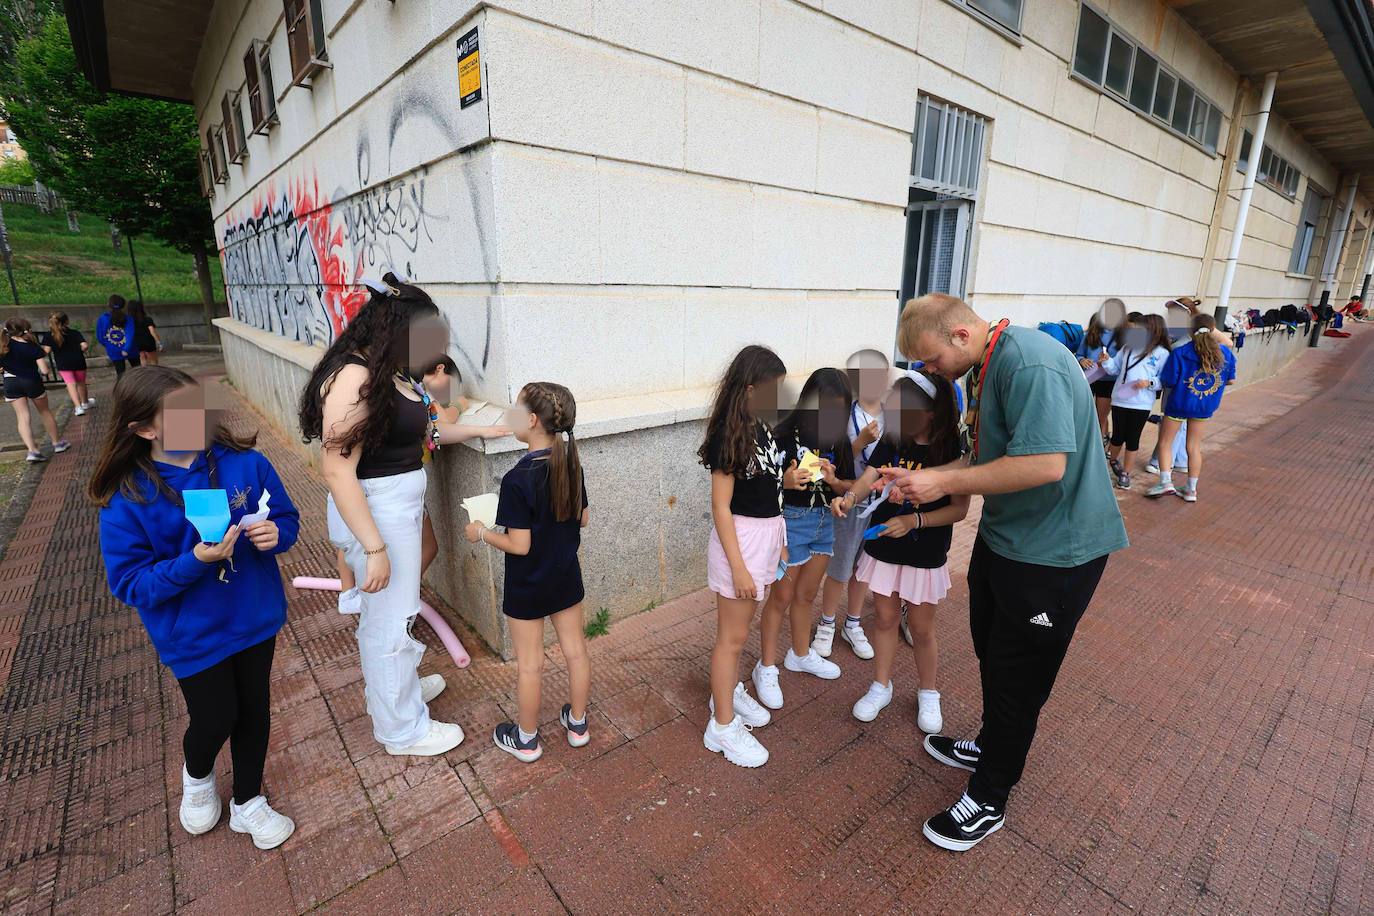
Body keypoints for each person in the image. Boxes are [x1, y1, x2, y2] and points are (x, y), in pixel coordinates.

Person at [885, 293, 1128, 851]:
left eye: (929, 360)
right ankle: (994, 744)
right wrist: (923, 476)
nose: (928, 372)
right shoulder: (987, 364)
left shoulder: (1028, 361)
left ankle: (990, 796)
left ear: (960, 337)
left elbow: (1044, 465)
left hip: (1054, 553)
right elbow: (985, 457)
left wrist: (941, 484)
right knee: (992, 651)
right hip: (1009, 541)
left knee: (1017, 676)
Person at [297, 272, 509, 757]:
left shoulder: (391, 373)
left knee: (396, 613)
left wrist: (491, 432)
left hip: (398, 505)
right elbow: (337, 470)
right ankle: (402, 730)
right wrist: (373, 547)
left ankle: (398, 692)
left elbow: (426, 433)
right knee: (387, 621)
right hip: (378, 510)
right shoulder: (354, 378)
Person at [91, 366, 300, 849]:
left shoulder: (244, 464)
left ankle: (249, 802)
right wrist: (194, 562)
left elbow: (284, 516)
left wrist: (277, 535)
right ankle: (199, 776)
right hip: (191, 635)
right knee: (215, 717)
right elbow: (129, 584)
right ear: (144, 429)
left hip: (254, 615)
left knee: (255, 710)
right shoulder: (126, 500)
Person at [832, 371, 969, 731]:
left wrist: (914, 522)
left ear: (931, 412)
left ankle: (928, 692)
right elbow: (869, 475)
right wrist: (849, 497)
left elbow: (960, 509)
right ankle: (881, 685)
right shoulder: (895, 437)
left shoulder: (952, 450)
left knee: (922, 630)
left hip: (925, 551)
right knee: (887, 619)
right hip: (883, 546)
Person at [466, 382, 591, 762]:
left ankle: (527, 739)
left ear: (532, 420)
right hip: (566, 575)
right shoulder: (570, 462)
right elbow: (583, 519)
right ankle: (579, 724)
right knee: (576, 652)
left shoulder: (517, 479)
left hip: (527, 585)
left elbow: (520, 545)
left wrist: (482, 533)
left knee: (530, 665)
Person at [699, 345, 788, 768]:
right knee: (731, 640)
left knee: (740, 631)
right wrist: (738, 566)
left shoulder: (761, 427)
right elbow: (722, 507)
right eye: (775, 389)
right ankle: (722, 726)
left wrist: (780, 536)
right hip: (742, 545)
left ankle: (727, 691)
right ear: (751, 389)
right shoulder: (728, 436)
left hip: (763, 540)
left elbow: (767, 483)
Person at [334, 354, 467, 616]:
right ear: (439, 369)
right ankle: (382, 603)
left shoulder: (399, 382)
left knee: (356, 543)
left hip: (392, 483)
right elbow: (443, 422)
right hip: (384, 485)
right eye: (450, 386)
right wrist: (461, 404)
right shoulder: (411, 385)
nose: (449, 394)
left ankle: (374, 598)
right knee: (359, 543)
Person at [754, 368, 854, 709]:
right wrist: (786, 480)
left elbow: (850, 487)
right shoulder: (781, 432)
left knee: (807, 594)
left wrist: (836, 483)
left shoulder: (838, 439)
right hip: (789, 524)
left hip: (825, 522)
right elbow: (761, 483)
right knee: (780, 598)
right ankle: (765, 666)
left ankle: (799, 654)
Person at [817, 350, 889, 661]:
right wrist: (858, 442)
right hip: (848, 504)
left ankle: (853, 623)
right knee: (840, 567)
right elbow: (830, 460)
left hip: (881, 506)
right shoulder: (845, 415)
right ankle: (826, 623)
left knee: (864, 569)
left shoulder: (894, 415)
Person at [1145, 315, 1237, 503]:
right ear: (1213, 330)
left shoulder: (1180, 352)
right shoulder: (1226, 354)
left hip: (1178, 405)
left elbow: (1169, 380)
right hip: (1204, 407)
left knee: (1165, 443)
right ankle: (1191, 489)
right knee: (1194, 447)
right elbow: (1231, 380)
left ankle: (1165, 482)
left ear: (1189, 331)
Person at [1102, 314, 1170, 490]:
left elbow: (1166, 379)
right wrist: (1106, 361)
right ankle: (1111, 462)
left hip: (1141, 403)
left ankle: (1126, 473)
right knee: (1117, 437)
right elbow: (1114, 369)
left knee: (1133, 439)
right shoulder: (1127, 348)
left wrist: (1150, 383)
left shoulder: (1162, 353)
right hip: (1120, 400)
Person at [2, 317, 68, 462]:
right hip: (31, 381)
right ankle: (57, 443)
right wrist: (47, 369)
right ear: (26, 329)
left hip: (10, 381)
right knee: (44, 412)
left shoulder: (3, 345)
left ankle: (32, 451)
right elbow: (44, 370)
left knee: (22, 417)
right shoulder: (32, 346)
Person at [1075, 303, 1122, 444]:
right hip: (1089, 378)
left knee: (1100, 416)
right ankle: (1096, 440)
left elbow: (1122, 361)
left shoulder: (1122, 337)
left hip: (1108, 380)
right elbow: (1079, 354)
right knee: (1085, 412)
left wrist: (1107, 362)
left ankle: (1098, 445)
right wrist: (1082, 360)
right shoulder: (1091, 334)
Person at [41, 311, 95, 416]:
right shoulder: (74, 333)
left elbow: (46, 351)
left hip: (63, 363)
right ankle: (85, 402)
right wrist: (80, 350)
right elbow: (84, 345)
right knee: (81, 383)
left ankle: (78, 407)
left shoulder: (49, 335)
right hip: (78, 361)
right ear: (67, 321)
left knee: (70, 384)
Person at [96, 295, 140, 375]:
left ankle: (122, 387)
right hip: (130, 349)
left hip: (113, 348)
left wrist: (108, 344)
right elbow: (129, 334)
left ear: (109, 304)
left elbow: (100, 336)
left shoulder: (103, 318)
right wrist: (126, 348)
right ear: (123, 305)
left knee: (120, 373)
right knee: (137, 371)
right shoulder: (128, 318)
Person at [128, 299, 163, 366]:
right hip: (148, 342)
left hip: (137, 343)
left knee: (142, 360)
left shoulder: (129, 321)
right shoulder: (147, 319)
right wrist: (159, 342)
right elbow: (152, 331)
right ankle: (154, 374)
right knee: (153, 361)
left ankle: (145, 374)